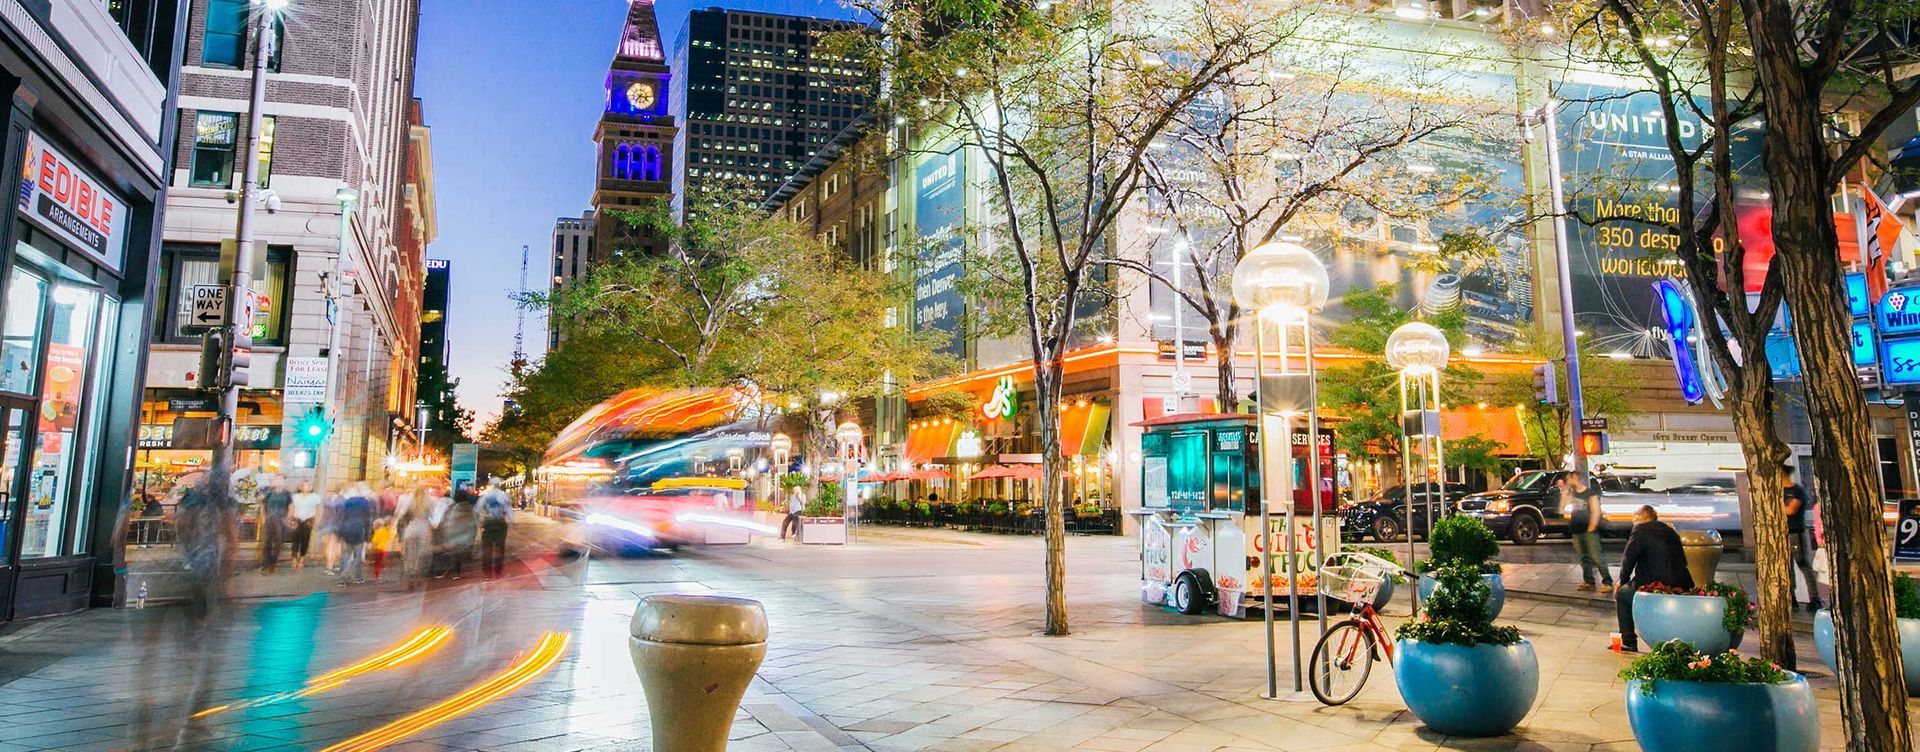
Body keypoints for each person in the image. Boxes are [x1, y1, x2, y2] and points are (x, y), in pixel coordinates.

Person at [1613, 505, 1695, 653]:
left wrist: (1621, 581)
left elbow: (1629, 558)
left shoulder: (1640, 531)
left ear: (1642, 517)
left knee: (1622, 595)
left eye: (1635, 517)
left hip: (1653, 583)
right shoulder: (1670, 531)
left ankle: (1628, 641)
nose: (1633, 520)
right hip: (1681, 583)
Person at [1558, 473, 1613, 593]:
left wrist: (1592, 527)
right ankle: (1589, 581)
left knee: (1597, 556)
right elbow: (1562, 509)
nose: (1567, 481)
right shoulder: (1571, 493)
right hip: (1576, 529)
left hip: (1589, 530)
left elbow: (1595, 511)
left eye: (1569, 478)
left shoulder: (1590, 494)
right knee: (1583, 558)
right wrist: (1564, 493)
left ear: (1576, 479)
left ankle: (1607, 582)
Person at [1783, 463, 1824, 612]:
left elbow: (1790, 510)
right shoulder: (1778, 491)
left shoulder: (1796, 491)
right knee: (1786, 567)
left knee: (1803, 564)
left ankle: (1814, 598)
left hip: (1795, 532)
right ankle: (1791, 596)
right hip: (1783, 533)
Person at [332, 485, 375, 585]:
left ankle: (343, 579)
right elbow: (368, 521)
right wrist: (368, 537)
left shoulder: (346, 502)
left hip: (346, 530)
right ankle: (358, 577)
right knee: (358, 556)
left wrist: (339, 535)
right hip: (358, 531)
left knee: (345, 555)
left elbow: (341, 518)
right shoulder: (365, 503)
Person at [439, 486, 479, 579]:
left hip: (455, 535)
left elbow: (451, 521)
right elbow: (473, 523)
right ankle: (454, 572)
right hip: (464, 536)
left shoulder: (455, 507)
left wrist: (447, 532)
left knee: (453, 555)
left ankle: (451, 572)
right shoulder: (468, 507)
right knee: (457, 555)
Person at [478, 487, 514, 578]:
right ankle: (498, 572)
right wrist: (511, 522)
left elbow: (477, 510)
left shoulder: (485, 496)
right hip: (500, 523)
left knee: (486, 549)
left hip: (488, 523)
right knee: (500, 548)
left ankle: (487, 573)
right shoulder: (504, 495)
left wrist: (479, 523)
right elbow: (509, 510)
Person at [258, 479, 292, 573]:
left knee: (278, 543)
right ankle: (265, 565)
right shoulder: (269, 492)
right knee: (266, 543)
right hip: (270, 519)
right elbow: (262, 504)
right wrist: (263, 517)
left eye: (280, 480)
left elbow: (291, 506)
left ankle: (273, 563)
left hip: (281, 520)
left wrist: (288, 518)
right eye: (277, 479)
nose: (278, 481)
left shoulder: (287, 494)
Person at [288, 481, 322, 570]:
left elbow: (318, 509)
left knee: (305, 540)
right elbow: (292, 508)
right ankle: (294, 558)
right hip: (297, 519)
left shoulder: (314, 497)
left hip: (308, 519)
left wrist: (317, 521)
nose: (307, 487)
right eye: (305, 485)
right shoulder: (295, 497)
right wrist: (290, 519)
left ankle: (302, 557)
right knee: (295, 539)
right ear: (301, 487)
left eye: (309, 485)